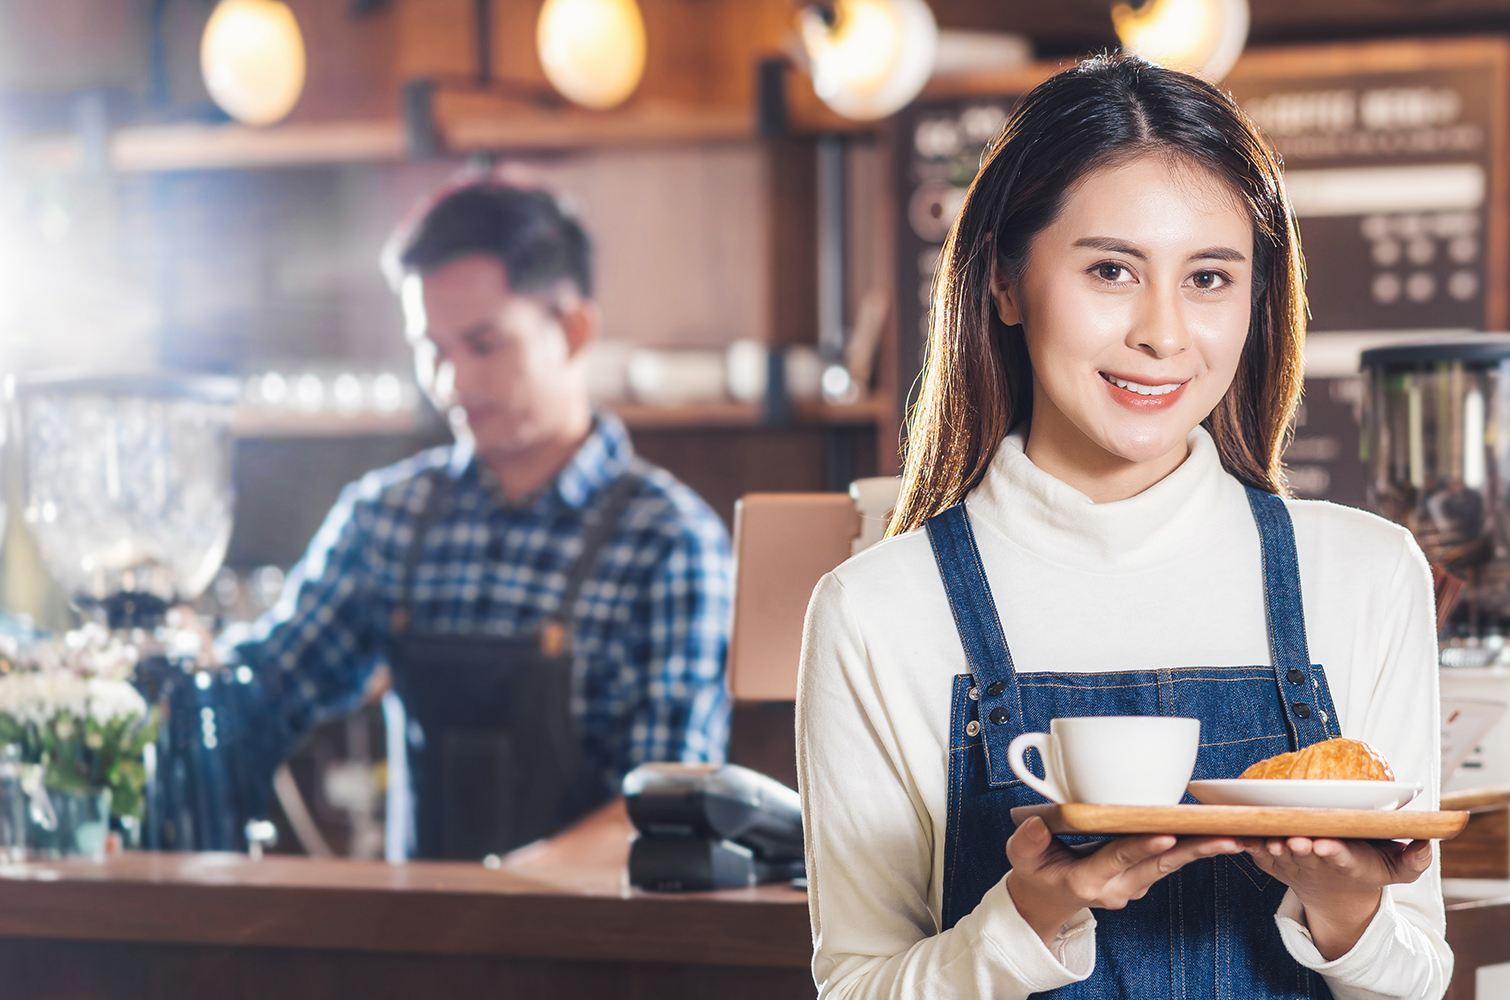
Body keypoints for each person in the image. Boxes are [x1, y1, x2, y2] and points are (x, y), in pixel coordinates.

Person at [796, 56, 1449, 999]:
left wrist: (1347, 916)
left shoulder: (1366, 573)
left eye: (1211, 278)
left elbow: (1419, 976)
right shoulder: (876, 609)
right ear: (1006, 285)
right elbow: (856, 986)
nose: (1165, 333)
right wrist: (1025, 920)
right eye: (1111, 269)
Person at [234, 180, 733, 865]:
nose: (452, 382)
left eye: (484, 344)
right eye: (432, 349)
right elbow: (263, 692)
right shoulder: (389, 519)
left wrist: (506, 894)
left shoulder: (670, 543)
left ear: (574, 329)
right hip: (421, 946)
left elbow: (670, 809)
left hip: (604, 958)